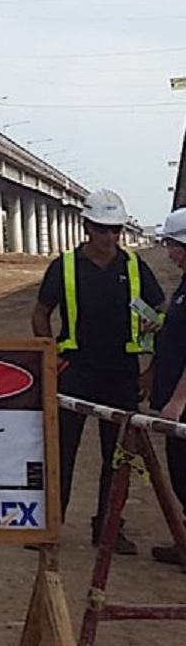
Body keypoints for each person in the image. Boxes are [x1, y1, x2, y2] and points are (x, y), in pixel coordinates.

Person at [30, 188, 166, 554]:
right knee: (61, 453)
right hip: (75, 372)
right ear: (87, 226)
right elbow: (41, 313)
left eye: (116, 230)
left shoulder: (135, 268)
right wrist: (48, 358)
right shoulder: (65, 267)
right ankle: (50, 527)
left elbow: (159, 317)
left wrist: (149, 370)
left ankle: (108, 528)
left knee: (118, 456)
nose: (110, 238)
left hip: (121, 375)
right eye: (103, 229)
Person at [147, 208, 186, 565]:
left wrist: (178, 400)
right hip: (176, 397)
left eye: (172, 244)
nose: (169, 252)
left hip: (185, 406)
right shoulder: (184, 286)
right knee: (181, 476)